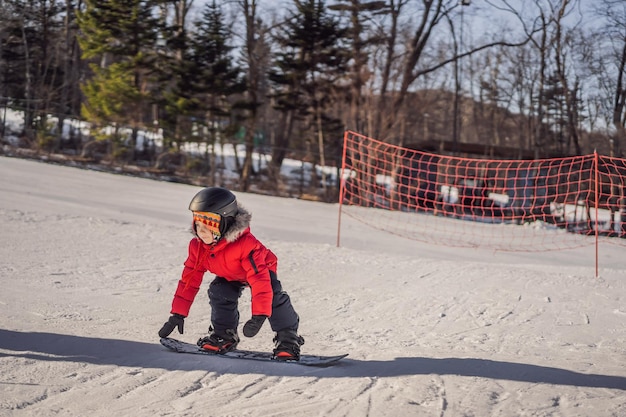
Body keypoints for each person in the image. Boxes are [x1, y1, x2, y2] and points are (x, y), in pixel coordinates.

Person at [158, 187, 304, 360]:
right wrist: (178, 313)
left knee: (272, 296)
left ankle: (288, 339)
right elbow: (189, 280)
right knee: (219, 291)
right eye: (198, 222)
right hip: (230, 274)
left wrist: (259, 315)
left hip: (261, 270)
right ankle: (224, 334)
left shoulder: (246, 245)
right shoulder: (197, 247)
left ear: (227, 222)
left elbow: (260, 282)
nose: (202, 230)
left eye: (210, 223)